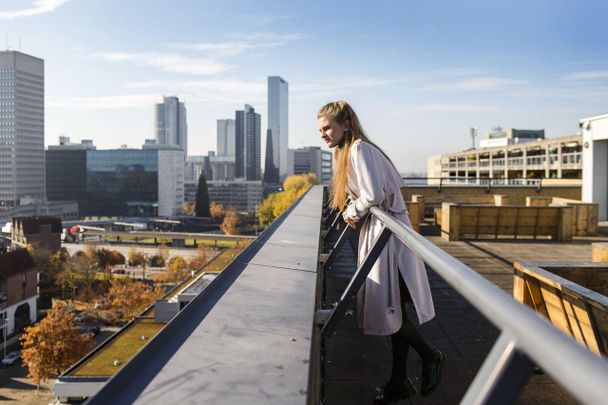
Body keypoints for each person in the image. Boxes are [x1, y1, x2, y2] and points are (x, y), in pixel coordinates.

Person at [317, 101, 444, 404]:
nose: (322, 134)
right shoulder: (350, 152)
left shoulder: (359, 149)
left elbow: (372, 195)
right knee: (393, 308)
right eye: (320, 129)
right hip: (382, 236)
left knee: (391, 310)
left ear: (345, 124)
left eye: (327, 127)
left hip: (390, 242)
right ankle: (397, 382)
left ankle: (431, 356)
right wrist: (354, 207)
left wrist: (353, 209)